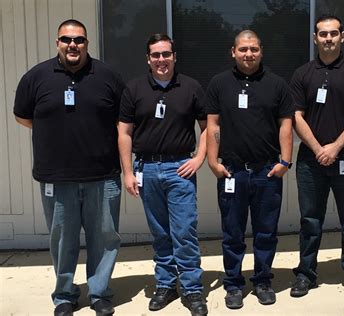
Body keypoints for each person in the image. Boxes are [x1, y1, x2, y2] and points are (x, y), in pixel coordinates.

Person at [13, 19, 124, 316]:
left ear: (87, 43)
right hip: (56, 177)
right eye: (66, 39)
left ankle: (99, 292)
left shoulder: (108, 77)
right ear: (57, 42)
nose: (72, 45)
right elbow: (23, 116)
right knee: (62, 240)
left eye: (79, 40)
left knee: (105, 238)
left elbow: (123, 122)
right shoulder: (36, 77)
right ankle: (64, 295)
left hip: (103, 175)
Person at [118, 34, 208, 316]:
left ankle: (192, 289)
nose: (161, 60)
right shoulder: (134, 89)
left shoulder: (191, 87)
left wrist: (199, 158)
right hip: (146, 169)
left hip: (179, 168)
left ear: (174, 56)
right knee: (160, 233)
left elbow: (208, 127)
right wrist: (128, 172)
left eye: (166, 54)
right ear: (148, 58)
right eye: (155, 55)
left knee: (184, 232)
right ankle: (166, 284)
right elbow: (124, 133)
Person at [206, 30, 294, 309]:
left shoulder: (277, 84)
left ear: (261, 51)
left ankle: (263, 280)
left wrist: (285, 162)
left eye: (253, 49)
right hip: (232, 172)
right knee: (232, 232)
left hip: (267, 171)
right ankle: (233, 283)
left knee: (265, 231)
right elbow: (213, 125)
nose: (248, 54)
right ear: (233, 51)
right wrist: (212, 161)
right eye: (243, 49)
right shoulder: (219, 83)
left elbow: (286, 126)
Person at [289, 14, 344, 299]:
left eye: (333, 33)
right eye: (322, 34)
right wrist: (318, 148)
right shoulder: (302, 74)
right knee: (310, 219)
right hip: (310, 160)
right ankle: (306, 273)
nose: (328, 38)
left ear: (342, 36)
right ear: (315, 38)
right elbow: (296, 116)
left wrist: (335, 147)